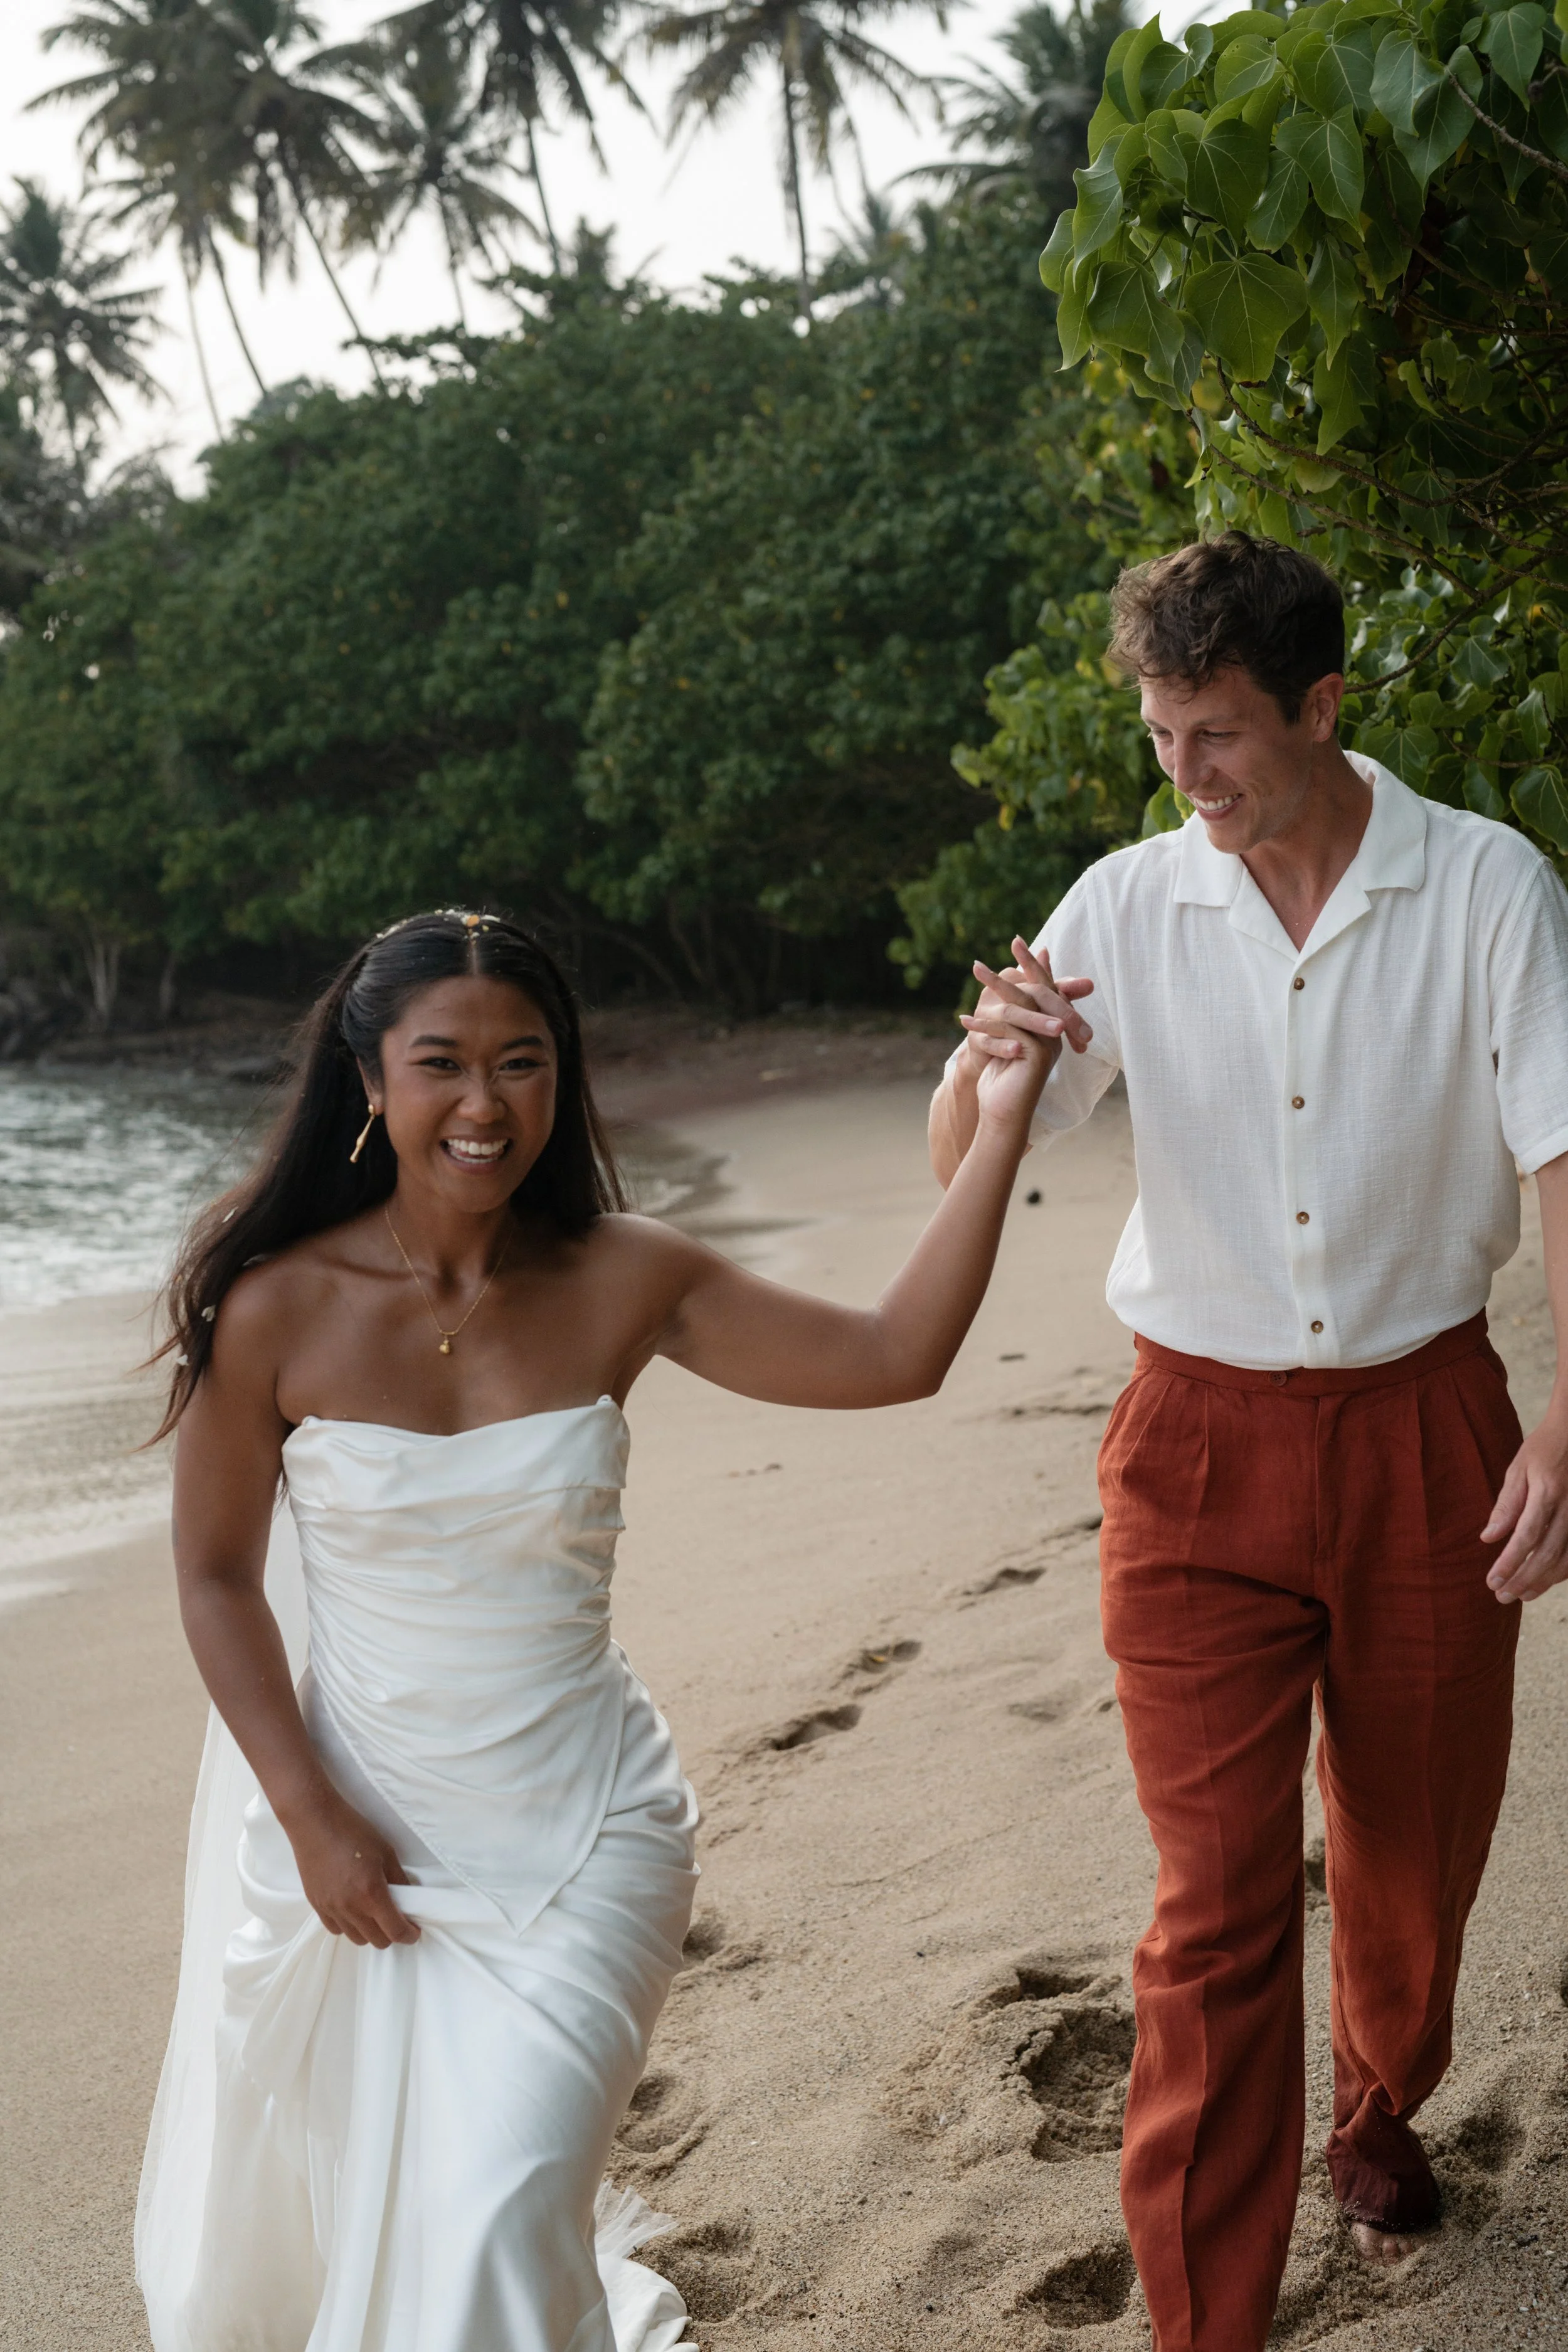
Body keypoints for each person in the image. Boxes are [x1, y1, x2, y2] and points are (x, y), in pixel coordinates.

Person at [137, 906, 1053, 2352]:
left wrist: (999, 1121)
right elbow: (213, 1580)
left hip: (586, 1845)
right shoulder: (275, 1307)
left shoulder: (625, 1275)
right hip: (364, 1844)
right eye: (441, 1063)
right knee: (419, 2236)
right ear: (368, 1082)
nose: (485, 1103)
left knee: (495, 2219)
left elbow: (894, 1356)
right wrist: (309, 1815)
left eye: (525, 1062)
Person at [930, 532, 1568, 2352]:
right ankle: (1203, 2315)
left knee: (1414, 1841)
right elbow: (964, 1155)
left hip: (1426, 1427)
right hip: (1190, 1447)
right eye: (1157, 733)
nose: (1185, 771)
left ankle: (1379, 2097)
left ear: (1317, 704)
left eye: (1215, 731)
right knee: (1209, 1904)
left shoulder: (1487, 886)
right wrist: (986, 1065)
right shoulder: (1125, 902)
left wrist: (1567, 1417)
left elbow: (1559, 1158)